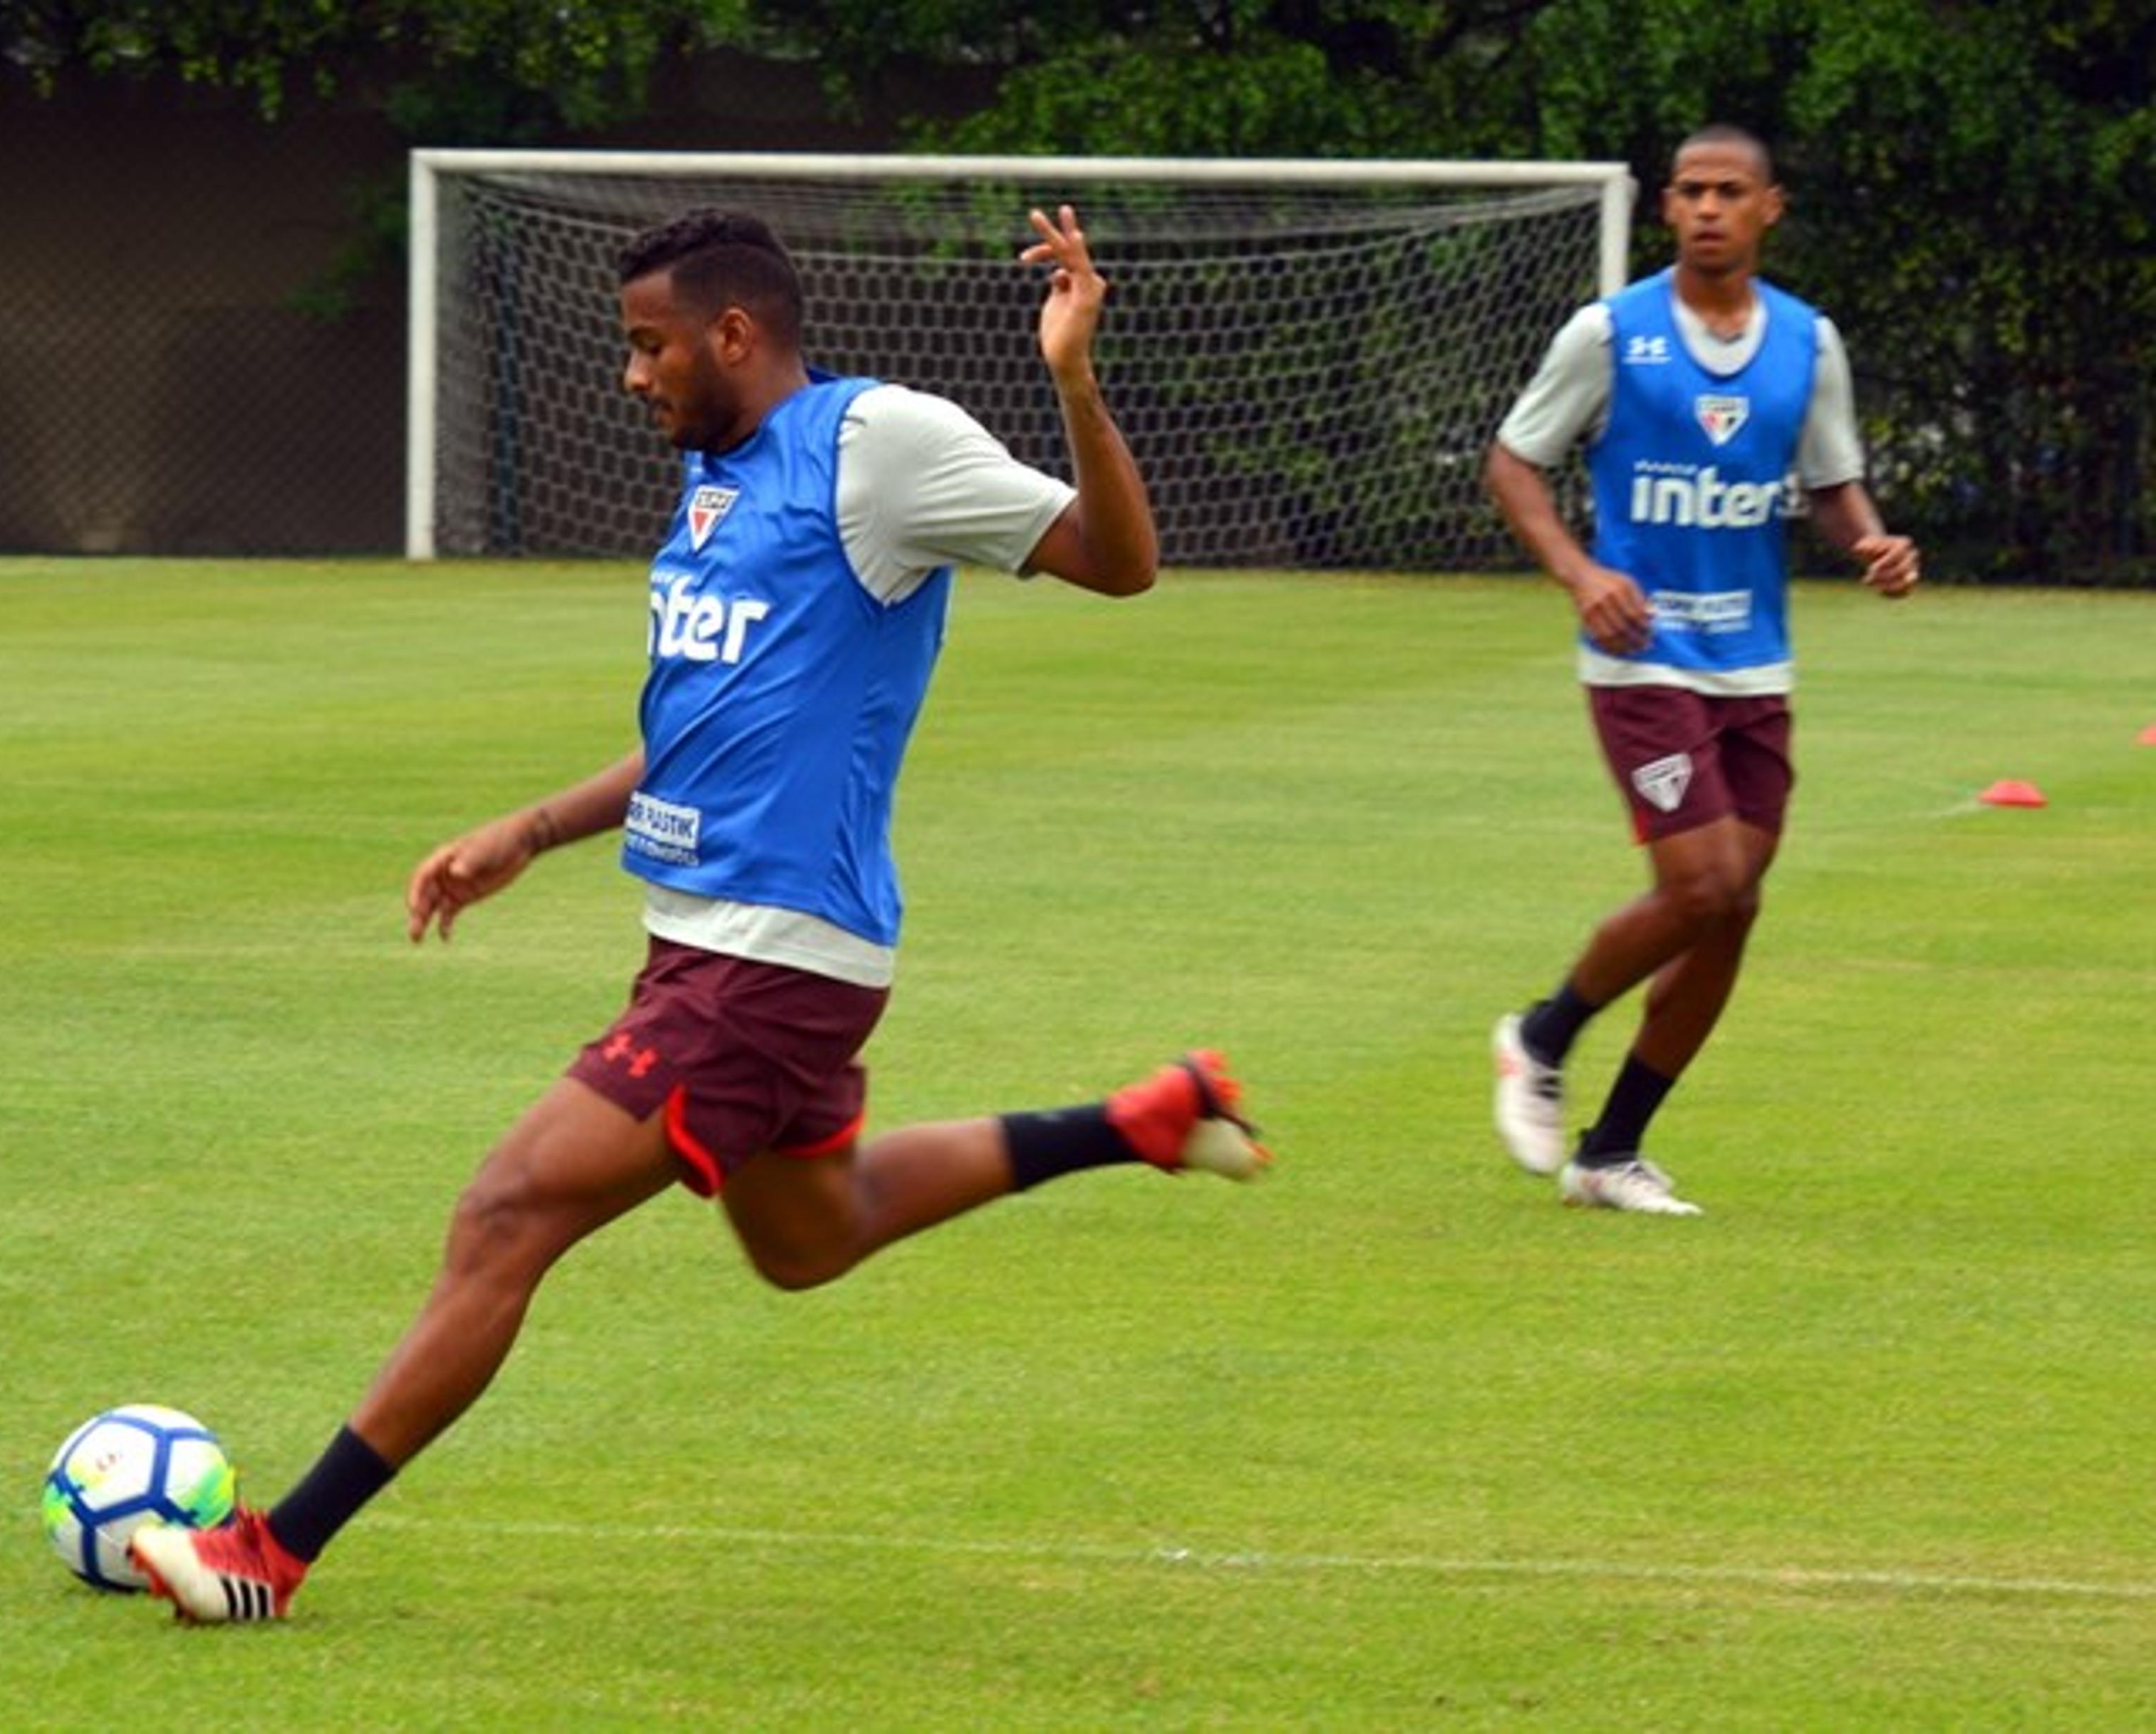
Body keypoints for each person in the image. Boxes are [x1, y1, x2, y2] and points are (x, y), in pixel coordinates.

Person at [129, 205, 1269, 1622]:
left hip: (766, 961)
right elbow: (707, 728)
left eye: (648, 344)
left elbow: (1120, 560)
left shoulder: (880, 446)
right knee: (814, 1235)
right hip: (714, 948)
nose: (632, 374)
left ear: (734, 333)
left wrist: (1076, 381)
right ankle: (1143, 1119)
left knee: (505, 1211)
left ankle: (271, 1555)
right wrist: (533, 829)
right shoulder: (722, 484)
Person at [1481, 125, 1920, 1216]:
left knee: (1733, 913)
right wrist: (1583, 574)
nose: (1710, 207)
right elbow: (1513, 460)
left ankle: (1611, 1153)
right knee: (1703, 885)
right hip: (1641, 656)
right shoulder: (1610, 333)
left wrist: (1869, 538)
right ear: (1668, 208)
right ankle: (1540, 1035)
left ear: (1770, 207)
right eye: (1691, 191)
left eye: (1731, 191)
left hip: (1754, 663)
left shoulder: (1808, 344)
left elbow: (1832, 480)